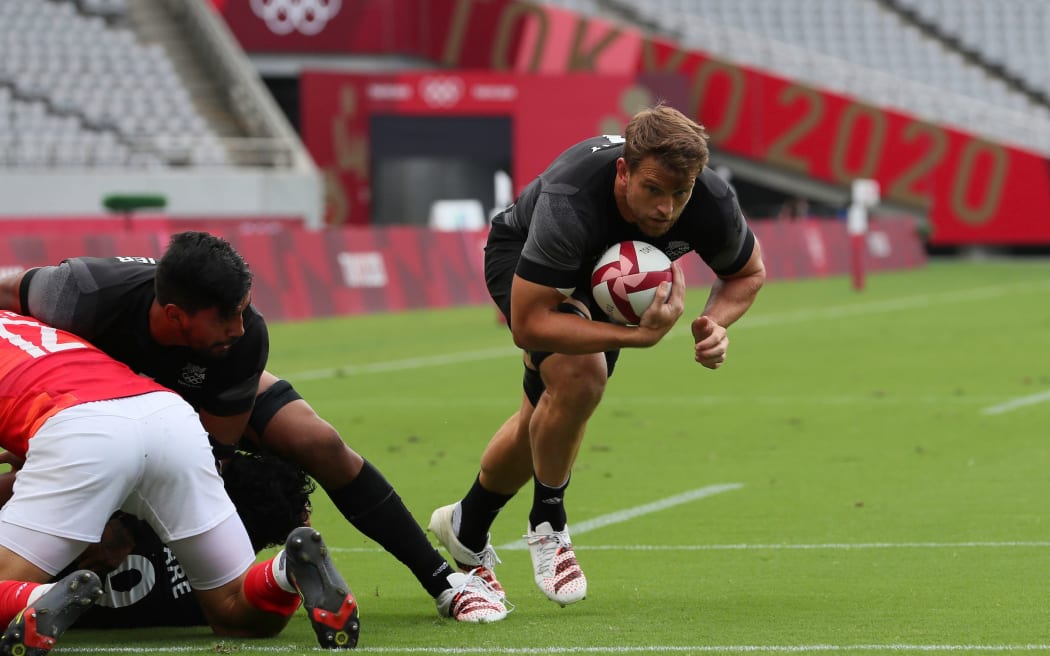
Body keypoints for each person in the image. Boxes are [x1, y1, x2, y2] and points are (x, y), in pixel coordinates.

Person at [0, 232, 506, 624]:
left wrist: (120, 522)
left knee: (319, 442)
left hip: (188, 402)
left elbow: (210, 456)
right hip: (88, 396)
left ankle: (444, 582)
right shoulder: (76, 293)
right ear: (176, 315)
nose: (240, 327)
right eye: (227, 318)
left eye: (245, 311)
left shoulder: (240, 340)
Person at [426, 104, 766, 606]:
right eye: (652, 189)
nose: (666, 210)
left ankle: (466, 526)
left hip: (609, 286)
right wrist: (637, 339)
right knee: (581, 378)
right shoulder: (571, 201)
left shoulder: (710, 197)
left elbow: (747, 272)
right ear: (624, 172)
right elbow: (529, 324)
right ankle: (548, 521)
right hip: (526, 263)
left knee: (543, 416)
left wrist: (715, 322)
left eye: (680, 193)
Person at [0, 310, 360, 653]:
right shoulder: (23, 320)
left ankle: (36, 598)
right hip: (170, 418)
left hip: (80, 434)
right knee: (235, 613)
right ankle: (285, 571)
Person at [0, 449, 316, 628]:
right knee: (249, 618)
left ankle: (36, 600)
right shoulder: (206, 605)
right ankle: (281, 576)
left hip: (29, 556)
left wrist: (40, 470)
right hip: (135, 607)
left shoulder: (142, 502)